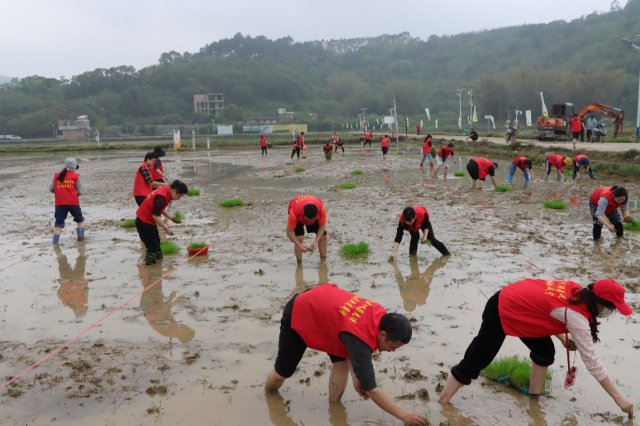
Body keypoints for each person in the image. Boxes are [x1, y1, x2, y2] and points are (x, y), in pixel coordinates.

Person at [438, 278, 635, 417]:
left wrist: (561, 338)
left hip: (521, 305)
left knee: (545, 351)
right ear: (600, 303)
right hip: (504, 307)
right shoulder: (578, 317)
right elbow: (593, 362)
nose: (610, 312)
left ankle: (534, 400)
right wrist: (618, 398)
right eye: (611, 308)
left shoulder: (577, 290)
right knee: (478, 358)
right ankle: (443, 402)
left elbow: (547, 309)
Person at [265, 283, 428, 426]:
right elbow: (372, 389)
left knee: (341, 363)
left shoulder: (380, 316)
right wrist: (405, 416)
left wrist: (356, 377)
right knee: (283, 372)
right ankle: (268, 396)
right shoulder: (361, 340)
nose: (391, 351)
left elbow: (350, 339)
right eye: (392, 347)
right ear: (383, 335)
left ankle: (334, 408)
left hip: (330, 317)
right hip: (301, 310)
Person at [135, 180, 188, 265]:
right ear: (174, 191)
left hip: (149, 222)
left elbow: (159, 208)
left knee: (157, 246)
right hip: (143, 223)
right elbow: (155, 216)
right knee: (152, 248)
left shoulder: (166, 190)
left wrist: (171, 218)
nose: (179, 198)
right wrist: (166, 228)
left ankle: (158, 267)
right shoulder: (161, 197)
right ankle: (150, 271)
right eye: (179, 196)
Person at [139, 266, 195, 344]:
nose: (185, 326)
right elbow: (167, 313)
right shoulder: (175, 329)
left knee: (152, 282)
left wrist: (170, 299)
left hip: (149, 307)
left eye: (186, 328)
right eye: (187, 327)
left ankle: (150, 269)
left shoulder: (170, 331)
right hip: (155, 306)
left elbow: (162, 314)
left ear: (182, 333)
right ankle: (152, 269)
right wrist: (171, 300)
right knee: (153, 283)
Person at [50, 158, 85, 244]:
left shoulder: (56, 176)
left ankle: (55, 244)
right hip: (73, 203)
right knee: (79, 220)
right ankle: (81, 239)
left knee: (58, 224)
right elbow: (80, 191)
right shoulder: (76, 177)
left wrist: (59, 191)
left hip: (59, 204)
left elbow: (51, 189)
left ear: (65, 165)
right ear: (74, 167)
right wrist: (75, 194)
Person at [286, 194, 327, 262]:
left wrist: (316, 241)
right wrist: (299, 245)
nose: (309, 222)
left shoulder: (321, 209)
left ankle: (323, 260)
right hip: (297, 208)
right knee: (299, 238)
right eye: (308, 220)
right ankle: (299, 263)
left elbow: (322, 226)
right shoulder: (294, 213)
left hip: (313, 207)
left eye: (312, 220)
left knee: (323, 236)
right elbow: (289, 232)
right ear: (303, 214)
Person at [54, 244, 88, 319]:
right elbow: (58, 293)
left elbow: (86, 288)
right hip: (66, 279)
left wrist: (84, 281)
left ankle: (81, 243)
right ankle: (55, 245)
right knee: (61, 259)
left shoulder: (84, 301)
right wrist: (63, 285)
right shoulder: (66, 303)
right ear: (75, 311)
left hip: (78, 278)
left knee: (82, 258)